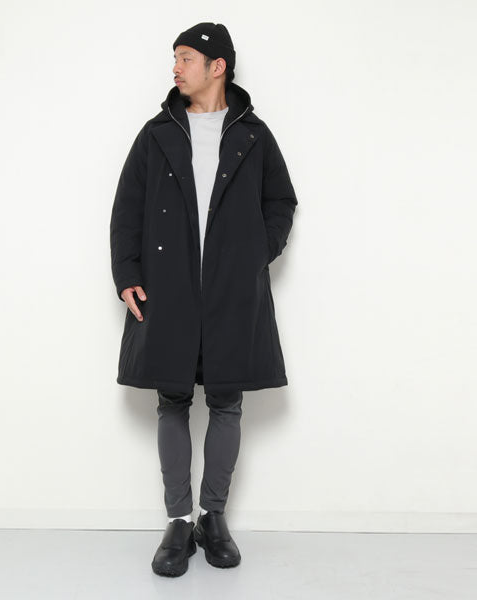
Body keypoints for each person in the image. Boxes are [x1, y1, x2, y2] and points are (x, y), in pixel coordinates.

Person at [110, 22, 297, 577]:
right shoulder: (156, 134)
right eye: (175, 58)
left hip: (231, 290)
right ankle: (178, 522)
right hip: (167, 288)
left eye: (186, 57)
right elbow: (126, 208)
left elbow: (281, 200)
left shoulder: (254, 135)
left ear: (218, 66)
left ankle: (213, 518)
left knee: (226, 400)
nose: (176, 67)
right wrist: (127, 274)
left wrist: (256, 252)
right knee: (171, 399)